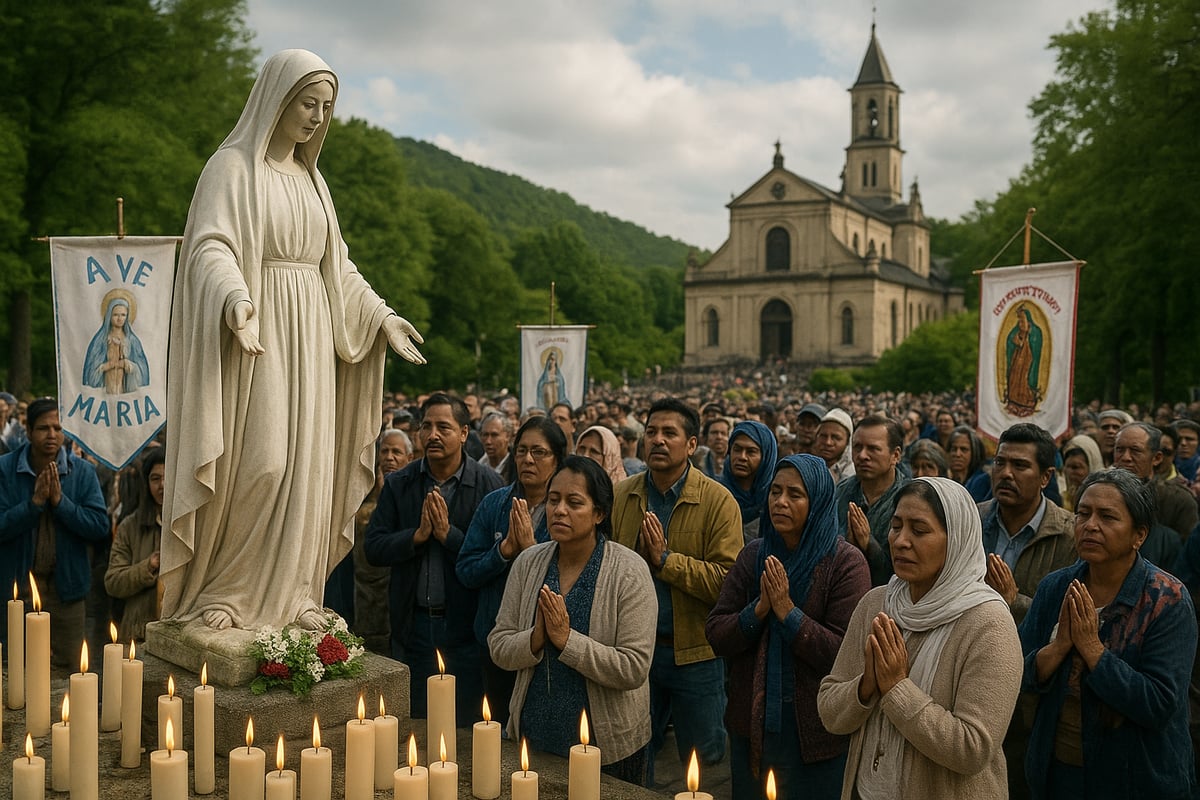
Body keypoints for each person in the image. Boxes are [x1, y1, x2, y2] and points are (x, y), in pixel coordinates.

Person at [161, 49, 427, 632]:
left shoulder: (313, 182)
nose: (317, 116)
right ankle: (228, 591)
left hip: (310, 337)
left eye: (326, 107)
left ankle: (294, 596)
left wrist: (380, 316)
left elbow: (339, 269)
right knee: (264, 462)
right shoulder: (232, 169)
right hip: (260, 331)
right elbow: (209, 248)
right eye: (309, 103)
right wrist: (234, 298)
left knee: (309, 464)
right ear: (277, 100)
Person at [817, 478, 1022, 800]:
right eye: (896, 526)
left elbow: (972, 749)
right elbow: (830, 712)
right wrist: (866, 685)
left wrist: (897, 689)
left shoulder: (988, 623)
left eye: (919, 530)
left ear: (956, 540)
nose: (900, 541)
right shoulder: (876, 603)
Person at [1020, 469, 1197, 799]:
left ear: (1139, 535)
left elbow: (1159, 704)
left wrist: (1093, 651)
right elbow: (1018, 673)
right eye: (1083, 513)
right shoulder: (1056, 587)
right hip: (1058, 772)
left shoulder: (1166, 600)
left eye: (1107, 517)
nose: (1090, 525)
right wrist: (1058, 648)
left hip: (1135, 779)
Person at [707, 454, 871, 799]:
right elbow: (717, 634)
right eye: (775, 492)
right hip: (752, 727)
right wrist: (759, 610)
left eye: (794, 495)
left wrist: (787, 611)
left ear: (818, 502)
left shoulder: (845, 563)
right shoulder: (754, 555)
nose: (780, 502)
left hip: (814, 735)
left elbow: (843, 654)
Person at [489, 456, 655, 784]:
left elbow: (634, 667)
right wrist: (535, 638)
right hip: (534, 736)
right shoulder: (528, 563)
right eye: (553, 500)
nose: (559, 510)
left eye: (574, 502)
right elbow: (499, 643)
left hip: (607, 746)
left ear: (599, 513)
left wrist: (568, 641)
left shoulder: (628, 571)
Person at [610, 397, 742, 785]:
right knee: (632, 756)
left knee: (703, 764)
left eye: (670, 433)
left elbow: (727, 583)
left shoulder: (717, 501)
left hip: (696, 655)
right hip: (635, 651)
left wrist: (665, 561)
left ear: (691, 444)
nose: (658, 441)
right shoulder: (623, 495)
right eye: (651, 432)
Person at [365, 393, 504, 722]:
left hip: (466, 631)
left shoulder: (490, 486)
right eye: (426, 426)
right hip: (413, 627)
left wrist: (449, 536)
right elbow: (373, 547)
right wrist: (416, 536)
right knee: (414, 723)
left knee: (465, 727)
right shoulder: (401, 484)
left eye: (444, 427)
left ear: (464, 434)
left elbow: (498, 559)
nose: (433, 435)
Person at [457, 416, 568, 725]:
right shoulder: (495, 504)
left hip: (547, 646)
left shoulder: (567, 510)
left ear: (557, 459)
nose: (527, 459)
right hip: (497, 642)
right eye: (521, 451)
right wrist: (504, 551)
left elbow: (573, 579)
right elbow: (466, 571)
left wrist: (532, 551)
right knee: (497, 731)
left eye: (539, 452)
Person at [0, 398, 109, 666]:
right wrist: (33, 505)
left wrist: (62, 505)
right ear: (28, 431)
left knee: (72, 672)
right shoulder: (5, 469)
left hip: (68, 591)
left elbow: (99, 526)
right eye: (43, 428)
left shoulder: (82, 472)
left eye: (58, 428)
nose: (52, 435)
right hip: (18, 591)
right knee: (17, 671)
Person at [351, 428, 412, 654]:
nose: (389, 457)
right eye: (384, 451)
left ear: (410, 458)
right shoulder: (364, 504)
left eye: (396, 452)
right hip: (369, 602)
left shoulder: (414, 496)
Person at [835, 415, 910, 588]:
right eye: (857, 447)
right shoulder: (841, 491)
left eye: (873, 449)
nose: (862, 456)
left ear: (895, 455)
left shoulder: (911, 499)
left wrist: (869, 544)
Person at [105, 447, 166, 642]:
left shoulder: (194, 525)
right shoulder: (130, 526)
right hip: (137, 635)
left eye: (168, 477)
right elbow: (113, 582)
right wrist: (148, 567)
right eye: (155, 479)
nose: (162, 485)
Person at [718, 420, 779, 541]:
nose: (742, 457)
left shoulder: (776, 499)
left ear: (765, 457)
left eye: (751, 452)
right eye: (737, 449)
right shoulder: (715, 494)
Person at [81, 292, 151, 395]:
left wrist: (128, 365)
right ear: (109, 315)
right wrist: (105, 366)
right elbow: (91, 372)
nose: (119, 319)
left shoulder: (132, 340)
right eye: (115, 315)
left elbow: (142, 370)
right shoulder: (100, 340)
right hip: (106, 388)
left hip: (124, 388)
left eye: (123, 315)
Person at [1003, 304, 1043, 417]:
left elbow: (1035, 347)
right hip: (1017, 360)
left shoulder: (1034, 332)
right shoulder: (1018, 329)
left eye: (1022, 318)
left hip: (1028, 361)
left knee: (1025, 380)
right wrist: (1016, 340)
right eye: (1019, 319)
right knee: (1015, 378)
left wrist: (1026, 339)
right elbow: (1012, 340)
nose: (1020, 321)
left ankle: (1027, 404)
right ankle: (1014, 402)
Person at [947, 425, 991, 502]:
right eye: (954, 449)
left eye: (964, 449)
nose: (958, 454)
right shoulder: (946, 478)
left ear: (974, 452)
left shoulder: (981, 481)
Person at [1059, 434, 1103, 512]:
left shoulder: (1106, 500)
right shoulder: (1061, 500)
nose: (1069, 472)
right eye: (1067, 467)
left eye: (1075, 467)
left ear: (1091, 467)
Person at [815, 408, 855, 483]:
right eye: (823, 436)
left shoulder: (852, 475)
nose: (828, 442)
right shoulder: (809, 467)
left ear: (847, 442)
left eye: (836, 438)